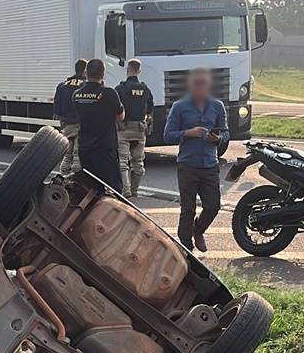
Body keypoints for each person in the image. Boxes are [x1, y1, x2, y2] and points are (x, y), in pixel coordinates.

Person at [162, 67, 229, 253]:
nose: (200, 87)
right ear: (190, 85)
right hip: (188, 165)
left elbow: (225, 132)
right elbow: (168, 135)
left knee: (213, 206)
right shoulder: (179, 107)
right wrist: (188, 133)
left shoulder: (217, 106)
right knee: (188, 209)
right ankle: (186, 249)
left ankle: (198, 230)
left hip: (210, 164)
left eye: (204, 84)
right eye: (196, 84)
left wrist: (218, 139)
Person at [71, 59, 124, 191]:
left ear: (85, 73)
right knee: (114, 186)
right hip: (105, 147)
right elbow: (120, 116)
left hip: (85, 147)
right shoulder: (109, 93)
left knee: (91, 188)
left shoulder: (76, 94)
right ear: (103, 74)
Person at [115, 59, 155, 197]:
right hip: (139, 130)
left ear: (127, 70)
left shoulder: (120, 89)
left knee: (122, 162)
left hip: (123, 129)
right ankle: (134, 190)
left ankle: (125, 190)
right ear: (139, 71)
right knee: (138, 162)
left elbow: (115, 108)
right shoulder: (145, 89)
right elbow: (150, 108)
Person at [53, 59, 87, 177]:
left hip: (66, 125)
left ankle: (63, 177)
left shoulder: (62, 86)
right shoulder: (86, 86)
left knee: (67, 155)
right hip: (80, 125)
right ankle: (75, 180)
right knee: (77, 156)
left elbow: (57, 109)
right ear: (85, 71)